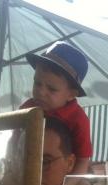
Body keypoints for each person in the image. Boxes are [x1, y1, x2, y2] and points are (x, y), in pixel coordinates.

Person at [21, 41, 92, 175]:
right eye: (37, 83)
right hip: (26, 170)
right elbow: (14, 141)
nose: (41, 92)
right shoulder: (27, 108)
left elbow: (83, 161)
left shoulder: (79, 119)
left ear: (71, 94)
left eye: (52, 89)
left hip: (64, 176)